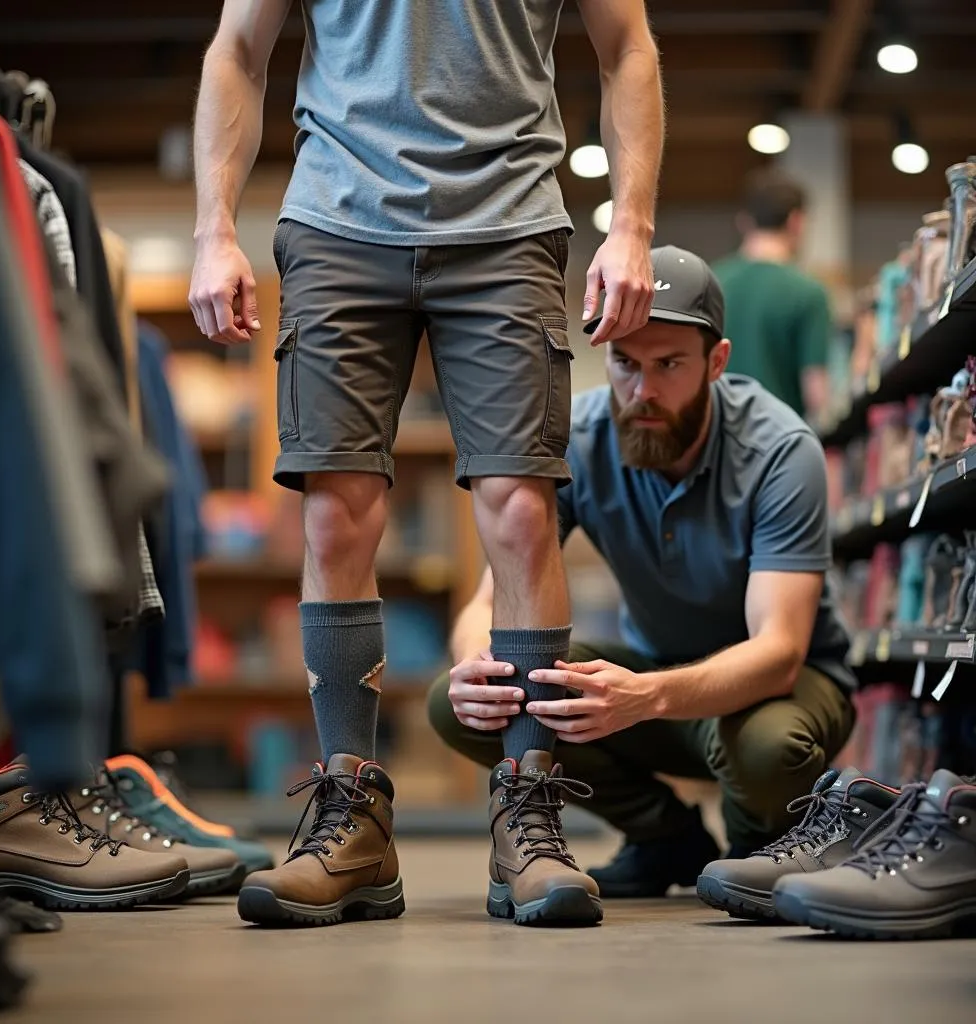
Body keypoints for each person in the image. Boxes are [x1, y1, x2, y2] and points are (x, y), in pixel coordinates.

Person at [187, 0, 663, 927]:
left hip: (509, 223)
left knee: (523, 512)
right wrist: (212, 226)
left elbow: (628, 46)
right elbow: (237, 50)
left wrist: (633, 224)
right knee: (333, 510)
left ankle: (526, 808)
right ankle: (352, 819)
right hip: (335, 218)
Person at [428, 245, 857, 899]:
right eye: (625, 364)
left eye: (669, 365)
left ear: (717, 362)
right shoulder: (579, 438)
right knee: (461, 706)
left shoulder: (781, 451)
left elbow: (779, 653)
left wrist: (647, 696)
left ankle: (757, 844)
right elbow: (491, 598)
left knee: (768, 749)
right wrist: (474, 664)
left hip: (780, 689)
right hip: (649, 679)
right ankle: (666, 839)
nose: (643, 391)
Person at [712, 168, 833, 424]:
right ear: (796, 222)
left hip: (715, 435)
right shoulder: (809, 292)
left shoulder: (711, 282)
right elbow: (816, 392)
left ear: (744, 221)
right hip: (779, 441)